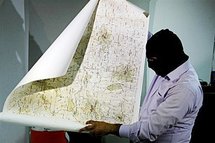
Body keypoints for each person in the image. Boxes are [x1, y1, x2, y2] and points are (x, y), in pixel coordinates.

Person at [79, 29, 203, 143]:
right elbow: (146, 35)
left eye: (152, 60)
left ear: (167, 59)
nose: (149, 66)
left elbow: (149, 130)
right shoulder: (170, 61)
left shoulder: (185, 90)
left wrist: (110, 128)